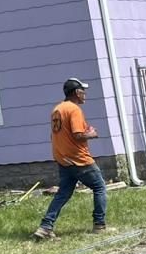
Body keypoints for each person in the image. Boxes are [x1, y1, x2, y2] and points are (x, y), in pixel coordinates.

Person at [33, 77, 106, 240]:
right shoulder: (74, 110)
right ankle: (99, 225)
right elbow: (78, 135)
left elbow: (55, 134)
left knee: (63, 193)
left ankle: (45, 227)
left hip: (63, 158)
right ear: (76, 92)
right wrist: (92, 134)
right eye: (83, 91)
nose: (85, 94)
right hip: (79, 159)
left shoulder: (57, 109)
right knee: (99, 187)